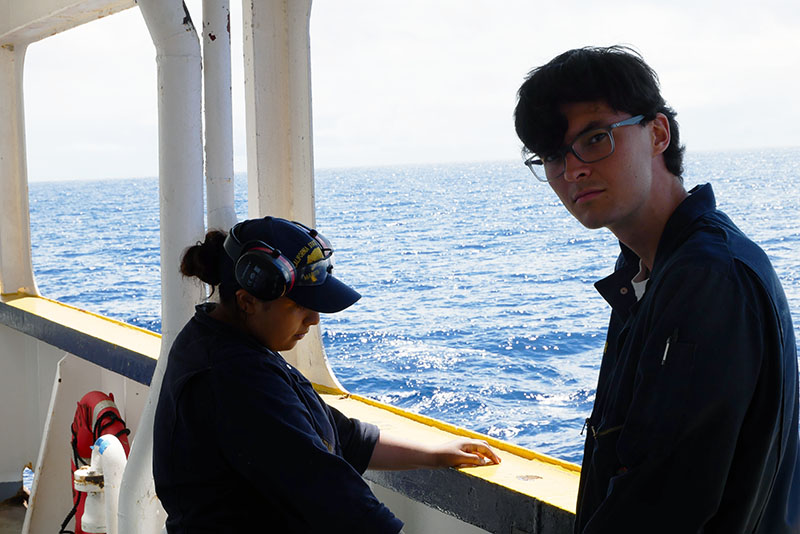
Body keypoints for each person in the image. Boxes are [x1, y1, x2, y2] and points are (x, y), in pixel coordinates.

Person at [513, 46, 799, 533]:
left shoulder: (708, 278)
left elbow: (666, 502)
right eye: (554, 156)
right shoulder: (650, 269)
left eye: (596, 138)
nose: (572, 170)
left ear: (658, 134)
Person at [153, 216, 500, 533]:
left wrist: (434, 454)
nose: (315, 319)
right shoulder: (231, 377)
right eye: (300, 305)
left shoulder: (231, 345)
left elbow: (341, 435)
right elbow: (327, 491)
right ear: (247, 302)